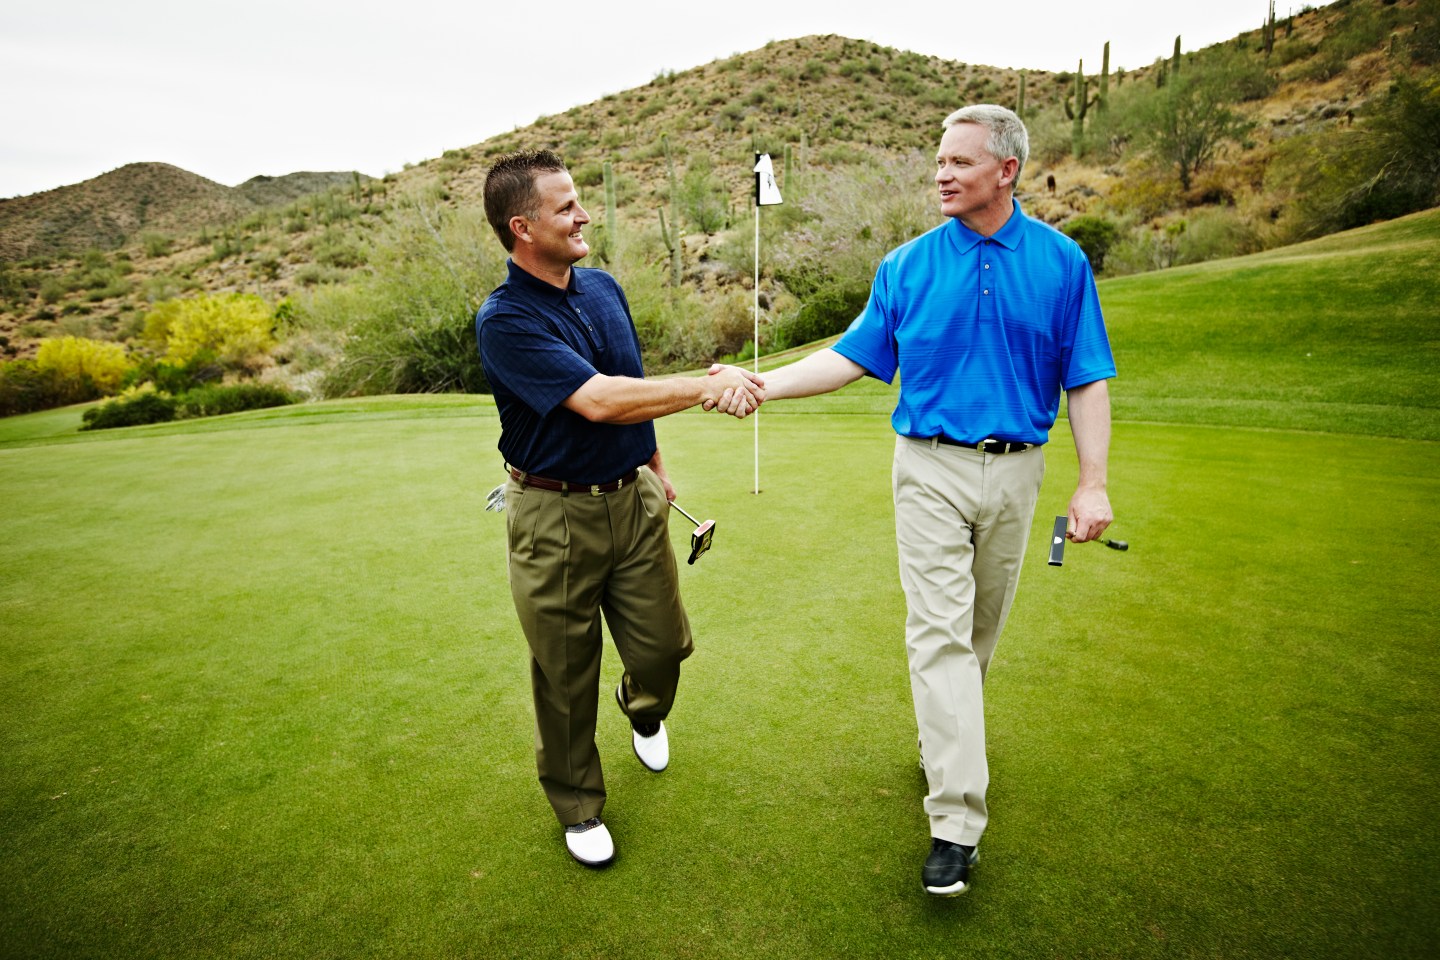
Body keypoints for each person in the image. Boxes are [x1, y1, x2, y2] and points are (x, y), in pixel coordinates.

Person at [749, 104, 1116, 896]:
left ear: (1007, 171)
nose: (941, 174)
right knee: (940, 637)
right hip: (927, 468)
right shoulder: (907, 266)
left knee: (977, 637)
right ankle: (955, 822)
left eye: (958, 162)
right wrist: (761, 385)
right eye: (938, 162)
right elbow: (850, 358)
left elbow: (1085, 378)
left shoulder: (1061, 263)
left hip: (1018, 468)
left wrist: (1093, 483)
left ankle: (946, 737)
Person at [476, 150, 763, 868]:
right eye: (565, 206)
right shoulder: (504, 320)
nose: (581, 216)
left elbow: (631, 385)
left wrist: (657, 468)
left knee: (665, 647)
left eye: (579, 202)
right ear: (522, 226)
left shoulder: (603, 287)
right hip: (553, 515)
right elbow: (601, 400)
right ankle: (578, 807)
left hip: (632, 498)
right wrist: (706, 387)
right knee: (565, 673)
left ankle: (643, 709)